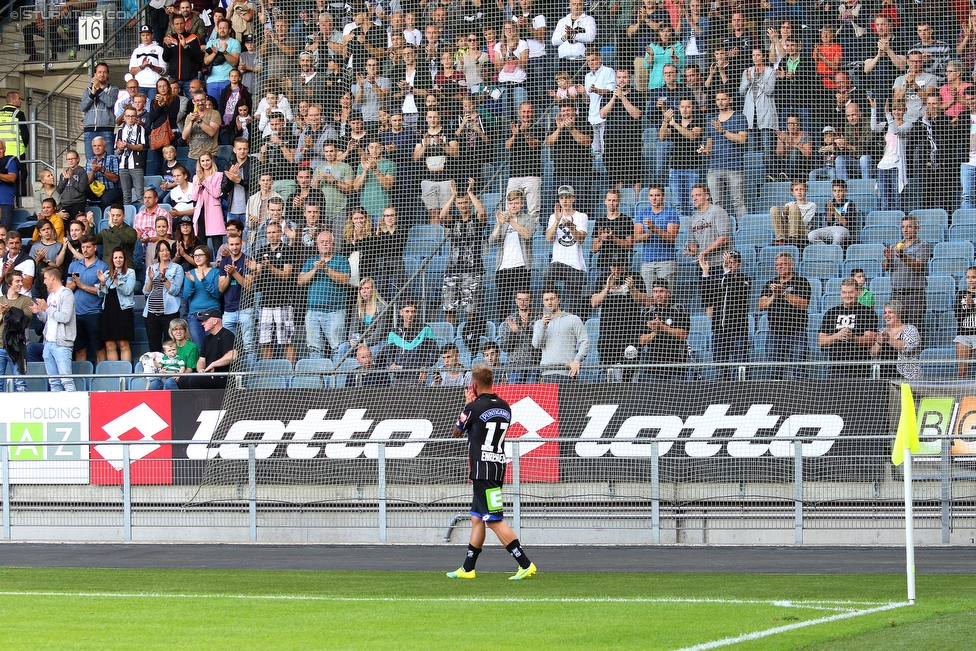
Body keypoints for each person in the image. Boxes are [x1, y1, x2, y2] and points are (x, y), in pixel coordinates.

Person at [447, 364, 537, 581]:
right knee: (476, 517)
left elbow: (457, 432)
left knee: (493, 519)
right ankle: (468, 568)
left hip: (482, 469)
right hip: (497, 465)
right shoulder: (505, 407)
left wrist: (467, 405)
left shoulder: (473, 408)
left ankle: (525, 563)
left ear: (474, 385)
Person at [590, 253, 647, 382]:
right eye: (613, 266)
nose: (616, 270)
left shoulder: (635, 277)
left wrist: (632, 288)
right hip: (608, 332)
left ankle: (629, 385)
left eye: (619, 266)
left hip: (631, 331)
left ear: (625, 265)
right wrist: (607, 288)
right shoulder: (603, 277)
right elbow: (594, 303)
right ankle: (613, 381)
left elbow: (644, 301)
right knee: (611, 370)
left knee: (630, 370)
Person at [298, 231, 351, 359]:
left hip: (335, 311)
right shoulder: (312, 260)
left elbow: (345, 279)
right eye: (322, 242)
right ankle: (317, 378)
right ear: (317, 245)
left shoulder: (341, 259)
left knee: (337, 347)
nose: (325, 244)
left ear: (333, 244)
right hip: (313, 311)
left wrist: (326, 269)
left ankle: (337, 378)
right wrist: (316, 269)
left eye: (328, 241)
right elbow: (300, 280)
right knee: (314, 348)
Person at [440, 179, 486, 323]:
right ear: (456, 205)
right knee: (450, 309)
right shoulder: (453, 221)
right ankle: (450, 340)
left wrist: (470, 193)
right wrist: (453, 196)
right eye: (460, 203)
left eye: (465, 202)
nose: (463, 205)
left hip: (472, 271)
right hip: (453, 271)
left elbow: (482, 213)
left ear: (469, 203)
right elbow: (441, 217)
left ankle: (468, 336)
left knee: (471, 310)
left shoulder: (476, 220)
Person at [759, 252, 811, 380]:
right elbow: (761, 305)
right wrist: (774, 296)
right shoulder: (770, 283)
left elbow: (803, 304)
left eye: (783, 264)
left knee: (799, 368)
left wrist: (783, 293)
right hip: (774, 333)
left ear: (791, 264)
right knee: (774, 369)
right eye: (777, 265)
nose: (779, 267)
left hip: (796, 333)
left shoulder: (801, 281)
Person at [700, 250, 750, 381]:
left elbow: (733, 289)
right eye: (727, 263)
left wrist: (727, 272)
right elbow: (707, 296)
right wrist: (705, 273)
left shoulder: (744, 279)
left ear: (739, 265)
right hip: (718, 331)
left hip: (737, 331)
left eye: (732, 263)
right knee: (721, 369)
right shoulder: (721, 280)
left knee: (740, 368)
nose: (729, 265)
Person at [253, 221, 296, 364]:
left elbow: (286, 275)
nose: (271, 235)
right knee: (265, 340)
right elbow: (257, 275)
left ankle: (291, 372)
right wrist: (254, 268)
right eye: (269, 233)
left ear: (280, 233)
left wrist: (270, 267)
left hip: (282, 301)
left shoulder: (287, 250)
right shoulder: (261, 251)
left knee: (286, 340)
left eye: (274, 232)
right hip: (265, 303)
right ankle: (267, 374)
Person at [818, 277, 878, 378]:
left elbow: (871, 340)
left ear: (858, 292)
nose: (847, 296)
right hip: (836, 367)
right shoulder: (831, 313)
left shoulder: (868, 312)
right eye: (844, 292)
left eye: (851, 292)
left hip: (860, 367)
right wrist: (837, 336)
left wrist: (852, 338)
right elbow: (821, 341)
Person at [488, 189, 536, 315]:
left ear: (522, 204)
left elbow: (527, 234)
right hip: (503, 268)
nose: (513, 206)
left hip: (522, 267)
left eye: (516, 203)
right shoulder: (502, 220)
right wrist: (499, 225)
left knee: (523, 303)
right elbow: (491, 241)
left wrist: (510, 221)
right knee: (503, 304)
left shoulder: (528, 218)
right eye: (510, 203)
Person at [543, 185, 588, 317]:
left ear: (573, 199)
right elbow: (548, 238)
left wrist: (571, 227)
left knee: (574, 303)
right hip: (558, 262)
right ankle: (550, 313)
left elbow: (580, 239)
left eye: (567, 197)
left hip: (575, 265)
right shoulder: (553, 216)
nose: (565, 201)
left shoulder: (581, 217)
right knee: (546, 275)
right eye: (562, 198)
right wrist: (557, 221)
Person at [702, 91, 748, 220]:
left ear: (730, 100)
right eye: (718, 99)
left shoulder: (739, 117)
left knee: (738, 202)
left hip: (734, 166)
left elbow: (742, 139)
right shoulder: (711, 119)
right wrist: (705, 150)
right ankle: (719, 232)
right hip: (714, 167)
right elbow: (710, 143)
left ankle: (743, 231)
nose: (720, 102)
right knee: (716, 204)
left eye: (723, 99)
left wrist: (723, 131)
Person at [31, 267, 77, 392]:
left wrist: (47, 308)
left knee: (66, 381)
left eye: (45, 278)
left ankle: (74, 408)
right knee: (54, 382)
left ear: (52, 278)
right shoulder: (50, 295)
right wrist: (39, 312)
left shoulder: (66, 293)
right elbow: (48, 318)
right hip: (48, 343)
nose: (44, 282)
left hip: (61, 344)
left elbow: (65, 317)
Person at [883, 216, 930, 334]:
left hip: (915, 294)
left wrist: (902, 256)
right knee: (895, 326)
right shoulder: (895, 246)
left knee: (915, 327)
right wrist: (888, 259)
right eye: (903, 227)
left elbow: (919, 266)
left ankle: (918, 352)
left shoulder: (923, 245)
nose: (905, 229)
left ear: (917, 228)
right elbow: (885, 267)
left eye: (909, 226)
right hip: (896, 294)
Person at [532, 286, 588, 383]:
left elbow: (584, 341)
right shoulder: (539, 323)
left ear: (559, 300)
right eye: (546, 300)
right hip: (547, 373)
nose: (549, 302)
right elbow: (536, 344)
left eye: (552, 299)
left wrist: (577, 360)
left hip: (567, 373)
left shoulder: (573, 319)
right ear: (543, 302)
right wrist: (543, 326)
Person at [67, 235, 109, 365]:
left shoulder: (102, 266)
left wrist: (82, 285)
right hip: (76, 314)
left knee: (99, 348)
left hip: (94, 313)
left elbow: (101, 291)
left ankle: (102, 380)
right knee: (80, 349)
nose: (85, 250)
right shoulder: (74, 265)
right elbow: (68, 288)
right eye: (83, 247)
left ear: (95, 248)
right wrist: (75, 284)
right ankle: (82, 381)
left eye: (88, 247)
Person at [377, 299, 438, 384]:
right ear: (401, 312)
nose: (410, 315)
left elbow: (435, 352)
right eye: (407, 311)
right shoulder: (393, 332)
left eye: (413, 312)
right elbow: (389, 353)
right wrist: (391, 363)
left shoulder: (425, 329)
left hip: (417, 374)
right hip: (399, 375)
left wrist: (425, 367)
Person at [659, 98, 702, 216]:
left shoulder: (698, 121)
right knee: (678, 205)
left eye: (688, 107)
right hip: (676, 169)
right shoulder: (674, 123)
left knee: (694, 204)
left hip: (693, 169)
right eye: (682, 107)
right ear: (679, 108)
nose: (685, 109)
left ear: (693, 108)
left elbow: (692, 135)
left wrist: (674, 124)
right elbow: (662, 136)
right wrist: (665, 120)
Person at [638, 280, 689, 381]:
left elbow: (683, 335)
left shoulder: (679, 309)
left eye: (661, 291)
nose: (658, 295)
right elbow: (641, 340)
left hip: (676, 364)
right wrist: (655, 332)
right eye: (655, 292)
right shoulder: (646, 312)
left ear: (668, 292)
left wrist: (662, 327)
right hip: (653, 365)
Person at [634, 184, 680, 289]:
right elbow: (636, 238)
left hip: (667, 261)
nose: (654, 198)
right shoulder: (642, 213)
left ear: (663, 196)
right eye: (651, 195)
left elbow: (671, 238)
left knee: (666, 296)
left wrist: (654, 228)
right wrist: (648, 234)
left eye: (657, 195)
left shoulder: (671, 213)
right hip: (647, 261)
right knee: (649, 298)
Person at [143, 240, 184, 352]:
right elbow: (146, 292)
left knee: (170, 346)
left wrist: (164, 279)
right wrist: (151, 280)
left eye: (167, 250)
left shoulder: (177, 268)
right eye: (162, 250)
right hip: (151, 313)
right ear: (158, 252)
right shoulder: (151, 268)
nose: (164, 253)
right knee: (154, 346)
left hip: (169, 313)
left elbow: (175, 291)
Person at [98, 248, 136, 363]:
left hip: (123, 311)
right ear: (112, 260)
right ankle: (114, 376)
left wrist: (116, 279)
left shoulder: (130, 272)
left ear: (124, 259)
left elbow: (128, 290)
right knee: (109, 344)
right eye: (115, 257)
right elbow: (101, 294)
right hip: (108, 311)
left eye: (120, 257)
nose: (118, 260)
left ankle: (125, 376)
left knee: (124, 343)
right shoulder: (106, 273)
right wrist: (102, 283)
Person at [184, 309, 237, 389]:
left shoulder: (227, 335)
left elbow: (233, 356)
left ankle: (201, 402)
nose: (202, 324)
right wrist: (201, 370)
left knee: (193, 381)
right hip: (210, 375)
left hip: (224, 377)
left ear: (215, 321)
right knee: (183, 381)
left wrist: (213, 364)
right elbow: (201, 360)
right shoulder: (207, 338)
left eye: (205, 320)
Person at [684, 183, 731, 271]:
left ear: (706, 196)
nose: (694, 199)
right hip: (703, 265)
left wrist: (706, 252)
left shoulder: (718, 211)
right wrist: (689, 250)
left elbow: (724, 238)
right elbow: (693, 247)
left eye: (698, 195)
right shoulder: (692, 219)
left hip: (721, 264)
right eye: (692, 196)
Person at [871, 300, 922, 381]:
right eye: (885, 313)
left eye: (890, 312)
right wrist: (879, 343)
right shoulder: (881, 331)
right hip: (884, 376)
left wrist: (888, 339)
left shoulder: (910, 329)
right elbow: (873, 352)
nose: (886, 315)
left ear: (898, 314)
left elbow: (909, 348)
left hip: (906, 376)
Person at [183, 245, 221, 348]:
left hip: (212, 314)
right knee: (199, 348)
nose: (197, 258)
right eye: (195, 255)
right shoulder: (190, 273)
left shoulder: (215, 272)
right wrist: (191, 282)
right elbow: (186, 296)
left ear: (207, 256)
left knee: (214, 348)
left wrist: (204, 280)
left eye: (200, 255)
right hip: (194, 316)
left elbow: (217, 294)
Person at [0, 270, 32, 391]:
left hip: (17, 347)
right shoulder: (0, 300)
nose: (20, 284)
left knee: (20, 384)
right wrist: (3, 315)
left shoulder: (26, 301)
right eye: (17, 281)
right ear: (9, 283)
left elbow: (24, 322)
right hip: (0, 346)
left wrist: (8, 313)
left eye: (21, 281)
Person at [81, 63, 119, 161]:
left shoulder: (113, 89)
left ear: (108, 75)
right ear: (95, 74)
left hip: (106, 129)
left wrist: (98, 90)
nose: (102, 75)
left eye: (104, 72)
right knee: (90, 160)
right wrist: (92, 94)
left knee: (109, 160)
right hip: (89, 129)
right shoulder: (88, 90)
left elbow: (110, 102)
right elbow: (83, 107)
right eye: (99, 72)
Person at [809, 179, 857, 246]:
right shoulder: (830, 203)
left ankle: (833, 252)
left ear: (845, 191)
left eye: (840, 191)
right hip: (831, 228)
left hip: (844, 229)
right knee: (811, 235)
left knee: (838, 235)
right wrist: (829, 211)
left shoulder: (850, 203)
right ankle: (827, 250)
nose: (837, 194)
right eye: (835, 191)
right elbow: (829, 222)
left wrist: (834, 212)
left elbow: (845, 223)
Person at [770, 179, 817, 247]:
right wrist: (786, 214)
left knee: (794, 207)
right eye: (796, 190)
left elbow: (805, 222)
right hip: (788, 229)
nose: (799, 192)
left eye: (801, 189)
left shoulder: (812, 205)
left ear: (806, 191)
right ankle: (780, 239)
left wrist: (795, 213)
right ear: (793, 192)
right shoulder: (789, 204)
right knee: (773, 209)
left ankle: (793, 238)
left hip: (802, 230)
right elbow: (784, 221)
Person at [86, 136, 122, 209]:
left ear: (105, 147)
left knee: (106, 199)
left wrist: (101, 170)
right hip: (96, 191)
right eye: (94, 146)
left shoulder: (113, 158)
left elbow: (115, 179)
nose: (97, 148)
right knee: (81, 190)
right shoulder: (90, 160)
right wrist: (93, 171)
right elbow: (88, 181)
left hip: (111, 190)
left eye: (99, 145)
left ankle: (105, 219)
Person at [955, 267, 976, 378]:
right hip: (964, 335)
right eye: (968, 277)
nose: (970, 280)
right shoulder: (961, 294)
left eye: (973, 277)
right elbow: (958, 316)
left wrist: (973, 306)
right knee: (962, 371)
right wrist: (968, 308)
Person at [0, 141, 17, 231]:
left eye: (0, 148)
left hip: (5, 202)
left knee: (4, 231)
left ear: (4, 150)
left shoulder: (10, 161)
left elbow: (12, 177)